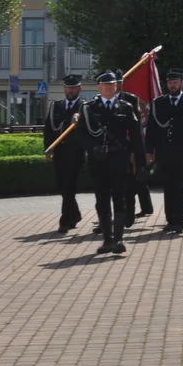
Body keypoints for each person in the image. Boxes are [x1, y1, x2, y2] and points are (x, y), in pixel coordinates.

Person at [75, 70, 145, 255]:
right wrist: (92, 147)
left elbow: (136, 136)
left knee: (120, 198)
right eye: (105, 85)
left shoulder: (126, 107)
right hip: (98, 160)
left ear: (117, 86)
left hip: (119, 158)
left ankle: (119, 239)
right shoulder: (89, 108)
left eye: (112, 85)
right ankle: (107, 240)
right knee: (102, 199)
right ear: (98, 87)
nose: (109, 87)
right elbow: (80, 134)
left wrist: (140, 161)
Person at [145, 68, 183, 234]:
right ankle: (170, 220)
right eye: (170, 82)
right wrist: (149, 151)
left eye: (175, 82)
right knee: (168, 188)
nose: (172, 85)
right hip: (164, 153)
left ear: (182, 83)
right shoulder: (158, 103)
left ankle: (179, 222)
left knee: (180, 188)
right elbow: (151, 129)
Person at [43, 74, 87, 234]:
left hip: (76, 153)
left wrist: (80, 120)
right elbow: (48, 129)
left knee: (69, 186)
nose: (71, 90)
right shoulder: (56, 106)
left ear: (80, 89)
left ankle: (65, 221)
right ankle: (75, 214)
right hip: (59, 152)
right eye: (68, 87)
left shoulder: (84, 107)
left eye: (74, 87)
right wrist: (48, 148)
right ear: (64, 89)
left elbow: (89, 129)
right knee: (63, 186)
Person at [114, 71, 154, 225]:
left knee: (131, 185)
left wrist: (134, 152)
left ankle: (128, 217)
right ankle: (117, 216)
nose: (116, 85)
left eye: (119, 82)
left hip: (129, 147)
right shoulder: (103, 101)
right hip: (113, 149)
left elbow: (135, 127)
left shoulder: (130, 99)